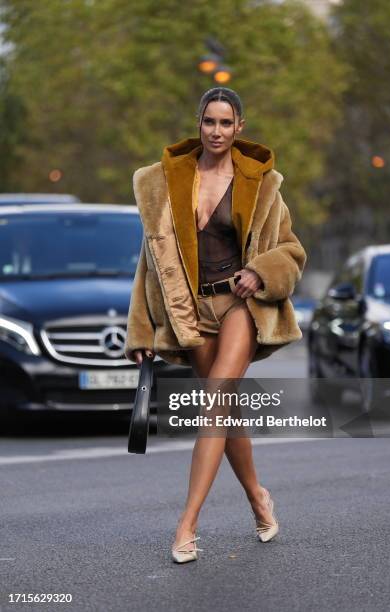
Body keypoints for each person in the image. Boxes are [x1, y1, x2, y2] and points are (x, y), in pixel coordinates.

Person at [124, 87, 307, 563]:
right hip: (191, 312)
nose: (217, 131)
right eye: (210, 122)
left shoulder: (263, 184)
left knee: (216, 404)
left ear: (239, 127)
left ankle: (187, 525)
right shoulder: (163, 182)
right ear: (198, 123)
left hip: (239, 306)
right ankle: (258, 499)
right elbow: (150, 264)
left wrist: (260, 272)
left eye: (226, 123)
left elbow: (291, 250)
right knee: (223, 413)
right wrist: (140, 333)